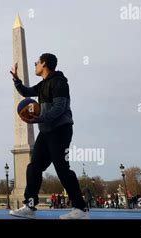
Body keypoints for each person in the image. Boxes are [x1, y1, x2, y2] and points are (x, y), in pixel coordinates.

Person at [9, 54, 88, 219]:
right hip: (45, 132)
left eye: (37, 62)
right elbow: (26, 92)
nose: (35, 65)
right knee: (34, 168)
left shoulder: (59, 82)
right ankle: (30, 206)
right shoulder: (43, 84)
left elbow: (60, 107)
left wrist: (40, 118)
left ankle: (80, 209)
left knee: (62, 168)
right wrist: (16, 80)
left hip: (60, 130)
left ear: (44, 64)